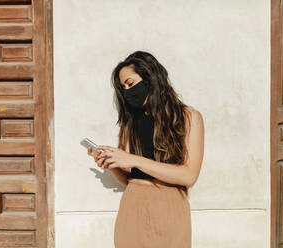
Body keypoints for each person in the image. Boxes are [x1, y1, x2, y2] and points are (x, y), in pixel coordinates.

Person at [87, 50, 204, 248]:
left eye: (130, 83)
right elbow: (129, 179)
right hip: (133, 206)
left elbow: (189, 176)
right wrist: (112, 164)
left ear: (150, 77)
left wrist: (133, 159)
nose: (127, 91)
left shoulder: (189, 118)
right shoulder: (130, 124)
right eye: (123, 88)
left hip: (170, 206)